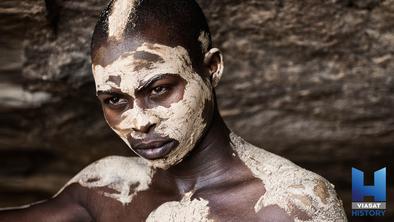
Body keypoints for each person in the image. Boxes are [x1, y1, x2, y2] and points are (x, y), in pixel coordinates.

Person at [0, 0, 347, 221]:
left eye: (159, 89)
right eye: (115, 100)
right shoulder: (107, 186)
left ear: (211, 69)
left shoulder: (288, 206)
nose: (139, 121)